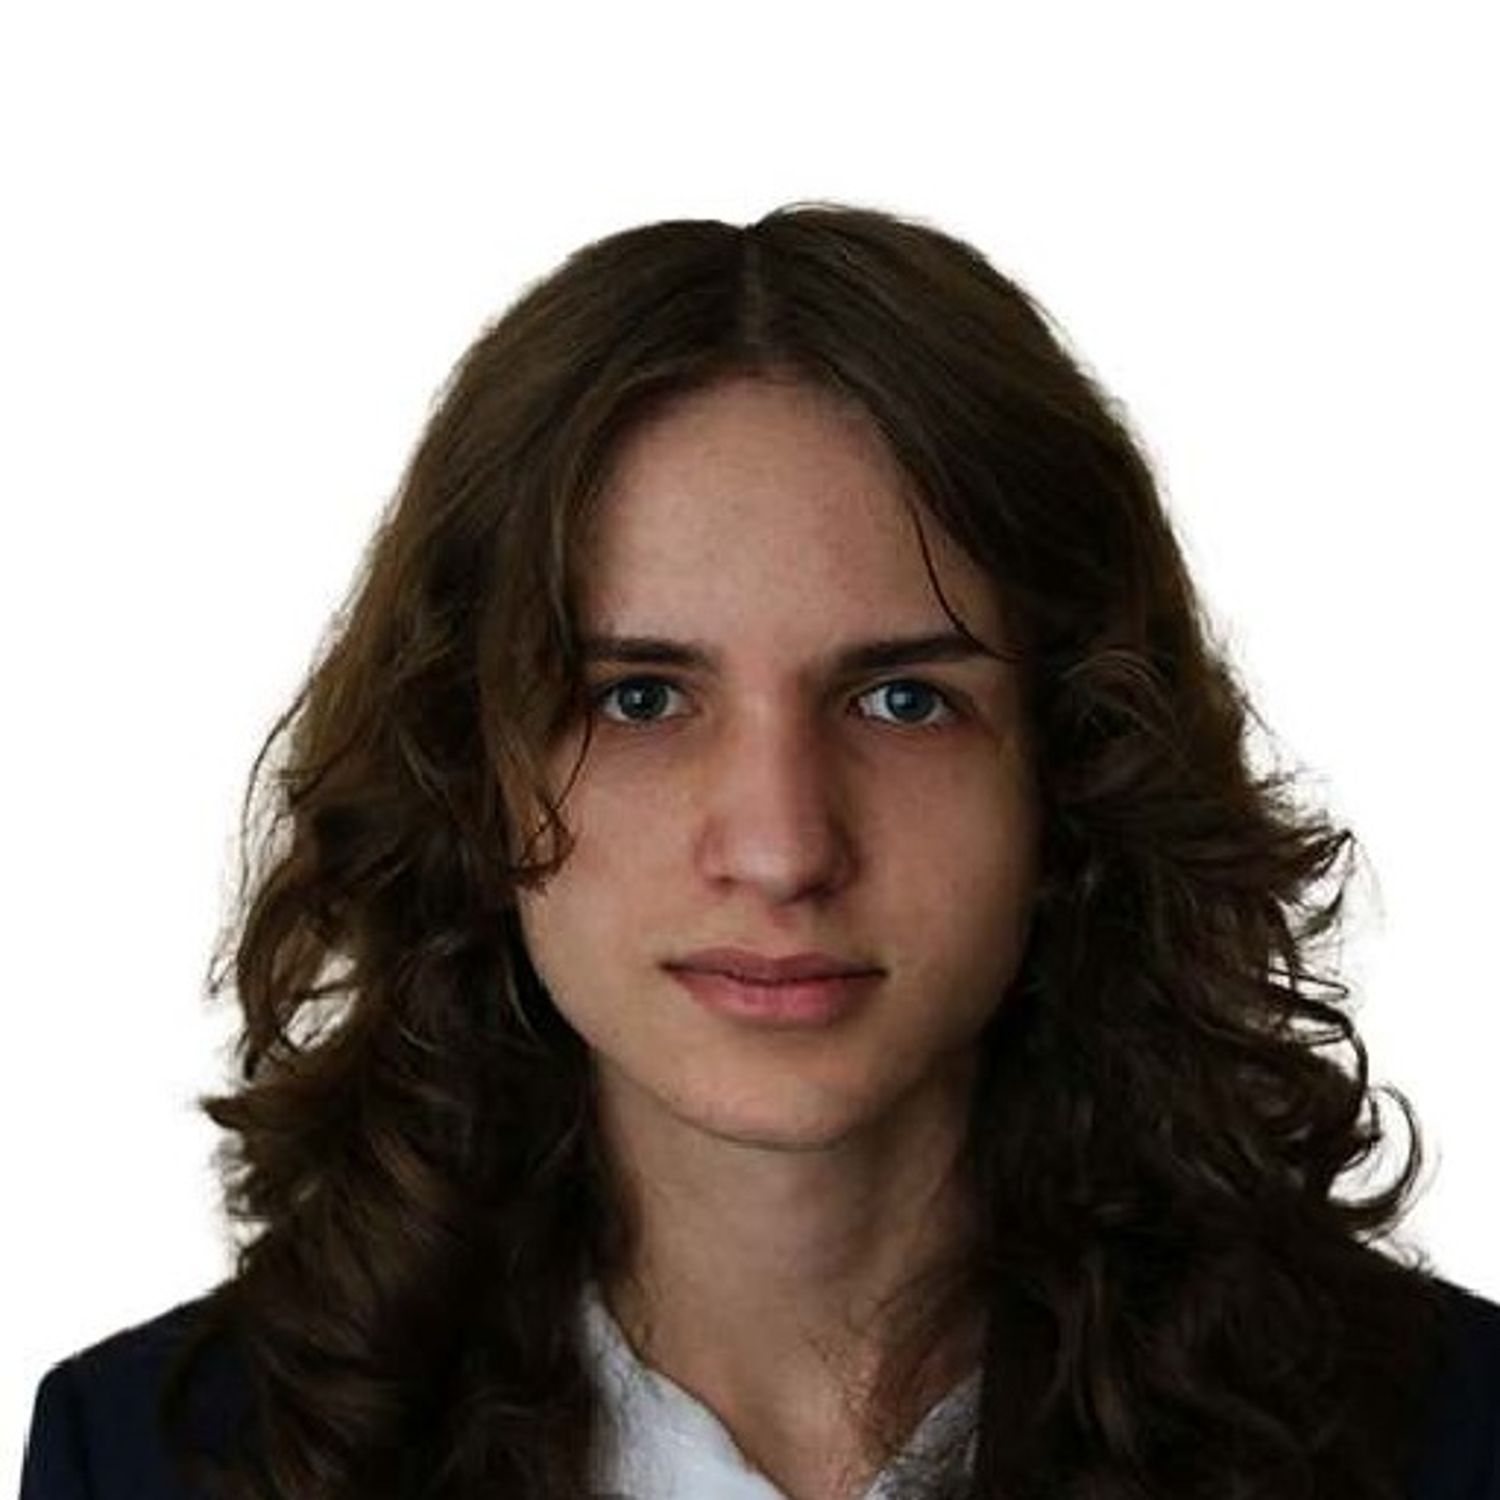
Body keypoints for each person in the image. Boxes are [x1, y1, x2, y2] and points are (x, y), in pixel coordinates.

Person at [19, 203, 1500, 1500]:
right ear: (467, 767)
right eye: (640, 699)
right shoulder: (154, 1461)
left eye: (903, 699)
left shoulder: (1452, 1441)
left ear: (1076, 768)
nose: (784, 848)